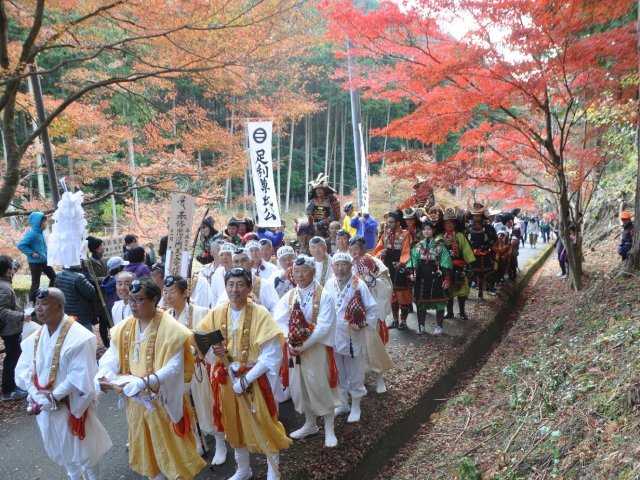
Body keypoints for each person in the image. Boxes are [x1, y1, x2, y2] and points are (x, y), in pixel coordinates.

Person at [97, 278, 206, 480]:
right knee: (149, 453)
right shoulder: (124, 328)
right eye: (131, 300)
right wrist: (105, 374)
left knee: (173, 453)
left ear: (154, 299)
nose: (133, 305)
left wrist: (144, 382)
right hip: (136, 403)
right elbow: (111, 356)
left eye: (139, 300)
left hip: (162, 401)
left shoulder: (172, 328)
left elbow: (174, 367)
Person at [196, 268, 292, 480]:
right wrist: (215, 351)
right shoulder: (217, 313)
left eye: (240, 284)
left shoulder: (260, 314)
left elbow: (272, 353)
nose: (235, 289)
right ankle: (243, 468)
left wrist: (247, 378)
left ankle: (272, 468)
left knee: (263, 421)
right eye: (230, 284)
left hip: (254, 379)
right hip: (227, 380)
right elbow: (202, 341)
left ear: (249, 288)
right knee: (233, 423)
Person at [16, 288, 112, 480]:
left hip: (71, 405)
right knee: (61, 449)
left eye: (44, 304)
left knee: (85, 452)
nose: (39, 309)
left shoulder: (80, 337)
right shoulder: (35, 336)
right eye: (37, 304)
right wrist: (35, 393)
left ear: (59, 306)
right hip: (44, 406)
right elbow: (24, 369)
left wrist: (53, 396)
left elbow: (80, 375)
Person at [273, 255, 340, 448]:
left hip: (315, 348)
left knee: (320, 385)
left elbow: (324, 326)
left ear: (313, 272)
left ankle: (329, 428)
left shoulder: (323, 295)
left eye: (304, 271)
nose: (300, 276)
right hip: (295, 350)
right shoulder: (291, 294)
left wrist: (303, 345)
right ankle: (310, 423)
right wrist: (289, 340)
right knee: (299, 386)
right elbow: (279, 319)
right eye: (296, 272)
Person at [163, 275, 227, 465]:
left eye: (172, 291)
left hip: (201, 368)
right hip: (179, 372)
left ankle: (220, 442)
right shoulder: (166, 317)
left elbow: (214, 339)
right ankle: (198, 441)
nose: (168, 296)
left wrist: (202, 353)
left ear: (185, 293)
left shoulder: (201, 312)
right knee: (188, 408)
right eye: (165, 292)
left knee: (209, 405)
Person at [325, 252, 378, 423]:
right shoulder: (329, 284)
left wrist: (362, 324)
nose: (340, 268)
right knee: (338, 370)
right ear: (333, 267)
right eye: (337, 265)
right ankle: (343, 402)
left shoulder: (359, 284)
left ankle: (356, 404)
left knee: (354, 370)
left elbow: (372, 308)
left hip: (352, 334)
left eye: (344, 265)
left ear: (350, 266)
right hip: (333, 335)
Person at [349, 237, 393, 394]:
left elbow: (386, 286)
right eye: (352, 250)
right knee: (357, 349)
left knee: (374, 346)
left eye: (358, 250)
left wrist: (372, 280)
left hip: (372, 310)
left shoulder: (375, 263)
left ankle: (379, 378)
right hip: (354, 313)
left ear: (364, 249)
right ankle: (360, 379)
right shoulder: (347, 265)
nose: (355, 253)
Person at [407, 221, 452, 335]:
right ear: (422, 231)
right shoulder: (417, 246)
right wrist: (412, 273)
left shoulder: (440, 246)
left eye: (429, 229)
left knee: (439, 302)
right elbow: (413, 262)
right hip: (421, 278)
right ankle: (421, 325)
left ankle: (439, 326)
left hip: (436, 277)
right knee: (421, 302)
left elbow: (446, 263)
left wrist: (447, 278)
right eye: (425, 229)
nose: (427, 231)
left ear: (433, 231)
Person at [372, 210, 412, 329]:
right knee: (392, 293)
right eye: (387, 222)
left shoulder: (406, 234)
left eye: (391, 222)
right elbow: (378, 249)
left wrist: (402, 262)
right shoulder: (385, 234)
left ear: (398, 222)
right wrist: (381, 253)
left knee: (402, 293)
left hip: (400, 266)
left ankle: (403, 321)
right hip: (388, 266)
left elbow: (406, 251)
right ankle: (395, 320)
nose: (388, 224)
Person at [0, 255, 30, 401]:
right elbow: (2, 310)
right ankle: (9, 390)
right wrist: (21, 316)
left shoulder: (4, 282)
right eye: (11, 267)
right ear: (6, 270)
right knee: (12, 358)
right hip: (9, 329)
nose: (13, 269)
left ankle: (11, 387)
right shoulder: (4, 288)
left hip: (10, 328)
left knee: (13, 356)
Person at [442, 208, 475, 321]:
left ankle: (462, 312)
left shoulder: (460, 236)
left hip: (459, 266)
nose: (449, 225)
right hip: (445, 268)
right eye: (446, 223)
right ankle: (450, 312)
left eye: (451, 222)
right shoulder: (441, 237)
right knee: (447, 290)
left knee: (462, 289)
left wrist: (469, 263)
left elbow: (466, 250)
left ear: (455, 224)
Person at [17, 211, 56, 303]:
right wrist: (31, 253)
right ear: (38, 223)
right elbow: (21, 245)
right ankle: (32, 304)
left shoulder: (40, 233)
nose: (46, 224)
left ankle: (48, 297)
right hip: (34, 263)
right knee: (35, 284)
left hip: (43, 260)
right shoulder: (32, 233)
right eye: (44, 222)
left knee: (54, 277)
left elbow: (42, 247)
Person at [83, 236, 111, 347]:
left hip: (107, 295)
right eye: (101, 246)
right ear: (96, 249)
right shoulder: (88, 262)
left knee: (109, 319)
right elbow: (90, 278)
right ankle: (106, 343)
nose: (103, 248)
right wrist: (105, 279)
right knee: (104, 321)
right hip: (99, 298)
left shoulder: (103, 261)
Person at [55, 264, 97, 331]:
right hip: (81, 316)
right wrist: (87, 275)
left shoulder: (58, 275)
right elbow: (91, 292)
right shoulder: (79, 277)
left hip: (67, 313)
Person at [468, 203, 497, 299]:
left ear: (482, 215)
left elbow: (493, 239)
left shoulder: (488, 228)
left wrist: (485, 247)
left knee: (486, 273)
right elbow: (465, 240)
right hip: (470, 253)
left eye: (478, 215)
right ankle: (466, 292)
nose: (476, 217)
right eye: (474, 215)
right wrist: (471, 249)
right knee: (469, 273)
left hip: (484, 253)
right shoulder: (468, 228)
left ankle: (487, 288)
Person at [306, 174, 341, 240]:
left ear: (325, 190)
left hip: (328, 224)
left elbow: (333, 216)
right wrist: (312, 221)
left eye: (320, 189)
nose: (319, 191)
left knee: (333, 227)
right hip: (315, 224)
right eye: (317, 189)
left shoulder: (330, 201)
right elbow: (308, 213)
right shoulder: (312, 201)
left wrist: (324, 221)